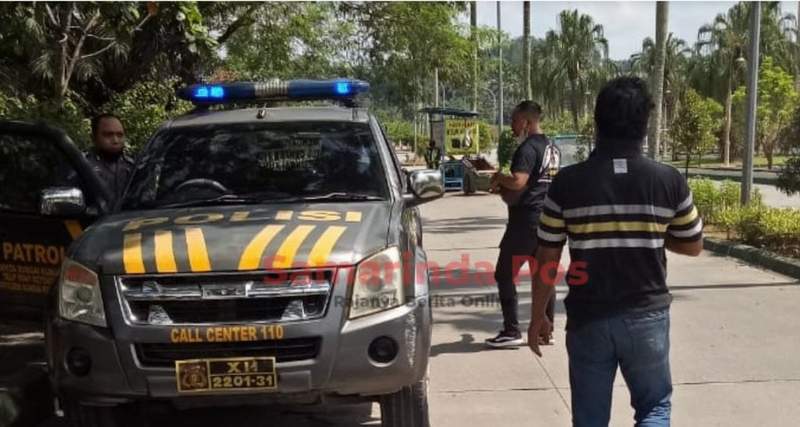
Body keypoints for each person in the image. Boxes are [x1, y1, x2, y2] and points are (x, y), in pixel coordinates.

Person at [528, 77, 703, 426]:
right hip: (647, 317)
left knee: (590, 419)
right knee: (654, 407)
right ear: (644, 124)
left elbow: (547, 257)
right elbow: (693, 243)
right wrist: (649, 231)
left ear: (597, 122)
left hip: (589, 318)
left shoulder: (567, 183)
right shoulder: (668, 180)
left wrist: (537, 317)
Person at [485, 101, 558, 348]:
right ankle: (545, 329)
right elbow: (535, 185)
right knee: (543, 274)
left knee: (504, 273)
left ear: (526, 122)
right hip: (548, 219)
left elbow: (518, 181)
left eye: (514, 121)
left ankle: (511, 330)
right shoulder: (552, 147)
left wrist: (497, 177)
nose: (512, 126)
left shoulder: (528, 148)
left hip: (526, 221)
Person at [85, 113, 134, 208]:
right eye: (108, 135)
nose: (115, 140)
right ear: (93, 138)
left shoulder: (132, 167)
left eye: (120, 135)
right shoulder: (81, 166)